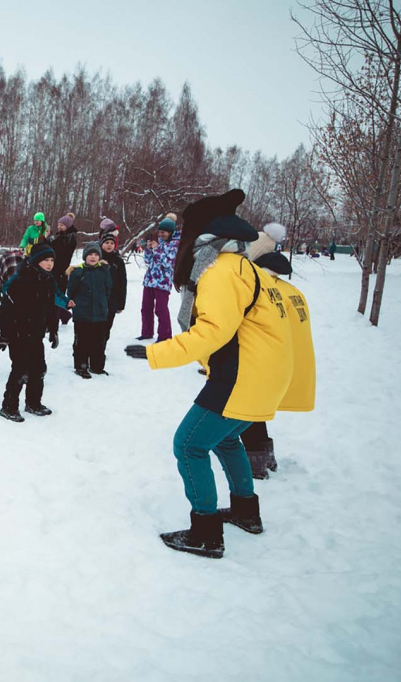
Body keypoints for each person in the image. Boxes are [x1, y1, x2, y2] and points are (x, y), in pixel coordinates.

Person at [124, 189, 293, 559]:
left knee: (188, 444)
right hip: (263, 375)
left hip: (239, 375)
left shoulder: (219, 271)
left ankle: (205, 532)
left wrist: (156, 353)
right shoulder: (245, 266)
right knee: (226, 439)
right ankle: (246, 511)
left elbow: (213, 332)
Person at [243, 222, 316, 479]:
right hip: (282, 362)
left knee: (244, 412)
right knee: (254, 413)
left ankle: (255, 465)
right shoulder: (289, 290)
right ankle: (265, 457)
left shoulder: (262, 289)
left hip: (261, 362)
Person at [0, 243, 59, 422]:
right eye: (45, 260)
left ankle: (33, 403)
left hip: (36, 333)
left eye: (52, 260)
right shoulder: (20, 281)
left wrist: (53, 329)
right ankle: (9, 406)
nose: (49, 264)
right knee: (20, 370)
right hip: (18, 333)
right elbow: (5, 311)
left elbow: (51, 308)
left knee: (39, 369)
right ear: (36, 261)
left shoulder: (48, 280)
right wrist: (4, 334)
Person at [66, 242, 113, 378]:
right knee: (82, 341)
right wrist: (77, 304)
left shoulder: (104, 271)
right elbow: (71, 291)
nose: (93, 257)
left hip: (100, 314)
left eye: (96, 255)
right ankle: (81, 366)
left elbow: (108, 290)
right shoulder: (78, 272)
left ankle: (97, 366)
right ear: (85, 256)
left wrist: (103, 304)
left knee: (99, 342)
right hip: (82, 314)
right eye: (90, 254)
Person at [139, 215, 180, 341]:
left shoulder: (175, 244)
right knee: (146, 308)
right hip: (149, 281)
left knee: (161, 309)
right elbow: (147, 261)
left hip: (163, 282)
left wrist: (156, 249)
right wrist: (148, 249)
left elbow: (168, 263)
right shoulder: (159, 242)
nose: (161, 234)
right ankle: (146, 333)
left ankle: (165, 336)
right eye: (160, 232)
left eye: (164, 232)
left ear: (170, 232)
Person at [100, 232, 127, 350]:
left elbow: (122, 283)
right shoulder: (96, 258)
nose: (109, 245)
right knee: (97, 326)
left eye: (112, 243)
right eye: (107, 242)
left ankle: (101, 349)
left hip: (112, 300)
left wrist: (121, 304)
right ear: (101, 244)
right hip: (98, 300)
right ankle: (94, 349)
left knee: (107, 326)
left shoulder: (118, 262)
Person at [51, 213, 78, 292]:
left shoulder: (69, 238)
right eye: (58, 225)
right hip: (56, 267)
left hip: (61, 268)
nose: (59, 227)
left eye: (61, 225)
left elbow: (62, 251)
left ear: (67, 226)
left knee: (59, 289)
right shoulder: (62, 236)